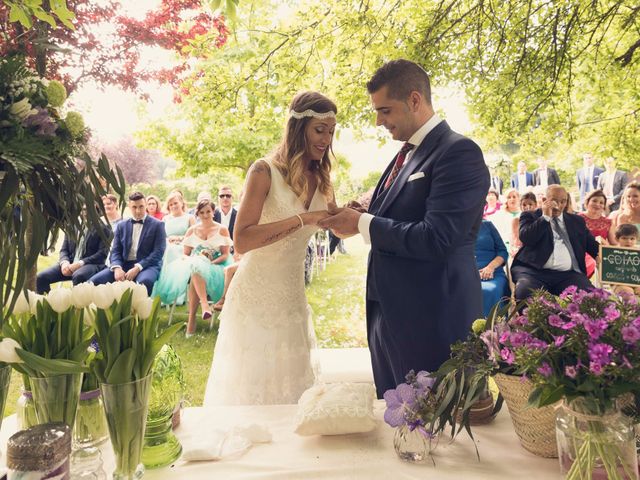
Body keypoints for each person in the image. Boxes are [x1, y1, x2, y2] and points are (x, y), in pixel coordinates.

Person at [318, 59, 489, 398]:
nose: (379, 121)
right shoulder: (407, 154)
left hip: (433, 318)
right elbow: (396, 214)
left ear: (414, 100)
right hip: (391, 314)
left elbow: (438, 237)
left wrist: (363, 223)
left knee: (442, 433)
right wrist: (358, 213)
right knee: (399, 425)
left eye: (385, 111)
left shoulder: (458, 152)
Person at [204, 91, 335, 405]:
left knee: (291, 392)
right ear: (297, 128)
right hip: (256, 299)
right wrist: (303, 219)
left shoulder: (322, 177)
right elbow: (243, 240)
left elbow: (330, 222)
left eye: (331, 132)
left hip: (293, 300)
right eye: (320, 130)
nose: (326, 140)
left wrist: (356, 215)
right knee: (253, 394)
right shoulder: (264, 171)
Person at [154, 199, 232, 335]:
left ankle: (192, 320)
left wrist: (210, 263)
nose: (206, 215)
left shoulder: (222, 229)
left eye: (208, 211)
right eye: (202, 212)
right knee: (196, 267)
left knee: (197, 270)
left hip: (217, 265)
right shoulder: (191, 231)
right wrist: (199, 260)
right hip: (194, 265)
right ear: (198, 214)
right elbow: (186, 254)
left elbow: (225, 255)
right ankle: (204, 306)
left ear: (213, 212)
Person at [510, 185, 599, 302]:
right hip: (533, 273)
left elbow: (593, 246)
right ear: (544, 201)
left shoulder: (577, 221)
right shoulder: (530, 216)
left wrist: (601, 255)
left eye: (563, 201)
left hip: (568, 274)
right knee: (525, 293)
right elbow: (526, 238)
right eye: (554, 201)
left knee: (589, 297)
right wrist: (545, 217)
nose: (559, 205)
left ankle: (570, 320)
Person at [89, 191, 167, 295]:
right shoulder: (121, 226)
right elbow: (115, 250)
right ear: (129, 207)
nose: (138, 211)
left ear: (146, 206)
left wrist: (138, 267)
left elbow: (158, 252)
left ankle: (138, 310)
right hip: (123, 265)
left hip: (147, 265)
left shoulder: (158, 225)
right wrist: (117, 268)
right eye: (134, 207)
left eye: (141, 207)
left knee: (144, 282)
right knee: (94, 282)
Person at [36, 213, 112, 293]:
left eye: (86, 209)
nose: (83, 212)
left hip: (92, 264)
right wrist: (64, 262)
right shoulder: (72, 226)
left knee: (79, 275)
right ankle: (47, 303)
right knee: (41, 277)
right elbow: (64, 250)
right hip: (69, 264)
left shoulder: (104, 228)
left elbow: (101, 254)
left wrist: (80, 263)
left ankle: (77, 304)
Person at [475, 220, 510, 317]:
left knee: (491, 290)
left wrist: (490, 267)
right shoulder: (455, 225)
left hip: (494, 270)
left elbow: (502, 251)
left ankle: (496, 329)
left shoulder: (487, 224)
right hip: (467, 271)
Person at [578, 189, 612, 277]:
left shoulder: (608, 222)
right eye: (594, 201)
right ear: (587, 202)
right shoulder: (578, 218)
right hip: (581, 252)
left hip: (600, 253)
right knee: (592, 262)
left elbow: (613, 244)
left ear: (604, 206)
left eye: (601, 202)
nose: (598, 204)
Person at [610, 224, 640, 297]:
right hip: (619, 284)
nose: (628, 241)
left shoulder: (638, 253)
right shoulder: (611, 253)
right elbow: (609, 275)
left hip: (637, 283)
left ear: (637, 239)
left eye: (632, 239)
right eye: (624, 238)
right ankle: (631, 308)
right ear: (617, 239)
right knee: (627, 293)